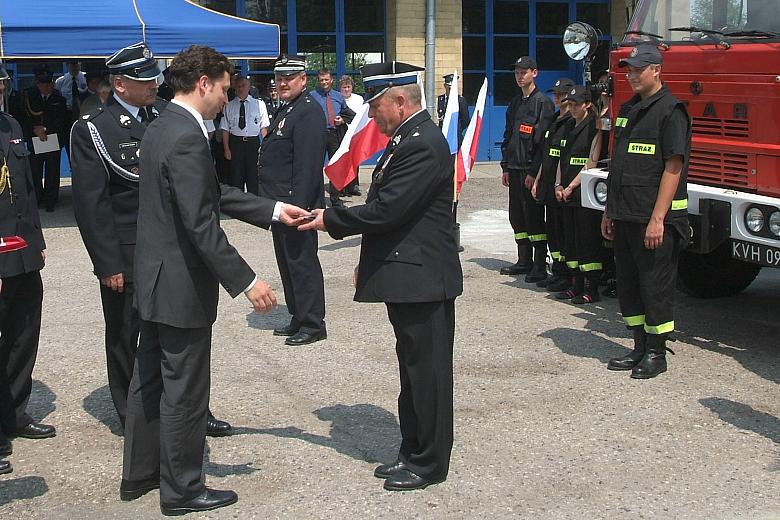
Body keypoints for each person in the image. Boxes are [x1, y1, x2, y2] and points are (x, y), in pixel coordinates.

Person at [121, 45, 310, 514]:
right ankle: (183, 491)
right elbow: (200, 223)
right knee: (184, 389)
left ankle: (141, 474)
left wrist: (273, 210)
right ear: (203, 83)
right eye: (225, 89)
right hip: (179, 285)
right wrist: (247, 281)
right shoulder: (186, 134)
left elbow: (209, 192)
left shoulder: (163, 124)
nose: (228, 98)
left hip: (156, 279)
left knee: (149, 379)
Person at [300, 61, 463, 491]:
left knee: (427, 374)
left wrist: (330, 219)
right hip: (408, 274)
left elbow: (388, 210)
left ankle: (429, 463)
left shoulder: (422, 144)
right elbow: (389, 213)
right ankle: (412, 450)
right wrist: (367, 260)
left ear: (400, 101)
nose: (371, 115)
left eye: (375, 107)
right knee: (411, 371)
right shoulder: (406, 139)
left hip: (424, 279)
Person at [70, 42, 233, 437]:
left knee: (176, 336)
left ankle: (192, 410)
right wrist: (107, 263)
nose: (154, 86)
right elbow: (92, 205)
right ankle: (134, 417)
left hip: (169, 250)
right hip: (126, 252)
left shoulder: (166, 115)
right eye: (144, 81)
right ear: (119, 85)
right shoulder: (94, 128)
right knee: (126, 335)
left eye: (154, 78)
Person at [603, 42, 691, 379]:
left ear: (657, 70)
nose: (632, 75)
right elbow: (619, 165)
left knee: (655, 287)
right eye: (629, 70)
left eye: (639, 70)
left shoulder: (671, 110)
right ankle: (639, 346)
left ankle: (656, 352)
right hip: (626, 214)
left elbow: (673, 167)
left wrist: (658, 219)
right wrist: (609, 211)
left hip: (653, 221)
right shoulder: (628, 109)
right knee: (629, 285)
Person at [0, 64, 56, 476]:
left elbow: (25, 188)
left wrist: (36, 240)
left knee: (23, 335)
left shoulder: (11, 126)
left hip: (22, 253)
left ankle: (14, 413)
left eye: (0, 84)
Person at [256, 55, 328, 346]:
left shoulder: (308, 111)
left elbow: (307, 167)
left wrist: (299, 208)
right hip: (281, 206)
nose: (283, 83)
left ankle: (313, 323)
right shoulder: (288, 108)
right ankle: (299, 315)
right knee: (288, 264)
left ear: (303, 79)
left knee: (302, 264)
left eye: (289, 78)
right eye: (279, 78)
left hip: (296, 205)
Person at [499, 56, 555, 278]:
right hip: (514, 168)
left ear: (534, 73)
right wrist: (505, 166)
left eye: (524, 72)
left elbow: (543, 144)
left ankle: (539, 265)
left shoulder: (542, 103)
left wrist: (534, 173)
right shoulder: (515, 103)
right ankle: (524, 260)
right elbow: (508, 136)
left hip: (529, 170)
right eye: (517, 73)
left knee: (533, 217)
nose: (520, 76)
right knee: (517, 216)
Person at [554, 85, 604, 304]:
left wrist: (571, 187)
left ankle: (591, 289)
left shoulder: (594, 128)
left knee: (587, 242)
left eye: (576, 104)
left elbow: (591, 163)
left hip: (582, 193)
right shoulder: (567, 126)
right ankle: (575, 284)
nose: (572, 108)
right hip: (565, 192)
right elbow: (561, 158)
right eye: (570, 104)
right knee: (571, 241)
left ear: (588, 105)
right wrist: (558, 184)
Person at [531, 77, 575, 289]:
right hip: (548, 183)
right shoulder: (554, 119)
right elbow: (546, 153)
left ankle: (566, 274)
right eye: (555, 94)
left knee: (564, 231)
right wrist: (538, 179)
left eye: (561, 95)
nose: (557, 98)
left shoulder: (572, 122)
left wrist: (561, 184)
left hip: (561, 185)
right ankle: (557, 270)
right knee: (553, 231)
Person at [18, 67, 70, 212]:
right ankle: (36, 198)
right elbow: (23, 117)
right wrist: (35, 129)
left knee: (52, 171)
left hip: (52, 138)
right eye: (43, 84)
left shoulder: (58, 99)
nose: (47, 87)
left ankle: (50, 201)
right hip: (35, 139)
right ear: (38, 84)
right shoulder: (29, 96)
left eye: (49, 84)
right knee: (35, 170)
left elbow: (62, 120)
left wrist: (45, 129)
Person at [310, 67, 356, 204]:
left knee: (336, 166)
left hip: (334, 135)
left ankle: (335, 199)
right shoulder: (312, 96)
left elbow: (349, 114)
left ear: (331, 80)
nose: (324, 82)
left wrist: (342, 120)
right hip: (318, 135)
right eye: (321, 80)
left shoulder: (338, 96)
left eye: (326, 79)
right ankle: (315, 198)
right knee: (316, 166)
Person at [220, 76, 269, 194]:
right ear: (235, 89)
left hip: (253, 144)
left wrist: (265, 148)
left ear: (249, 87)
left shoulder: (259, 104)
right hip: (236, 144)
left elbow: (264, 127)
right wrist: (226, 148)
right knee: (237, 177)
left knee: (253, 177)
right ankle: (239, 203)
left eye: (243, 86)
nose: (240, 89)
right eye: (238, 86)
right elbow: (225, 129)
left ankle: (254, 202)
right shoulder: (229, 106)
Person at [339, 75, 364, 196]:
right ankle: (342, 187)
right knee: (343, 160)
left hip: (355, 133)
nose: (346, 89)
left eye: (348, 87)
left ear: (352, 87)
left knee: (355, 161)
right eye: (344, 87)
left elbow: (361, 115)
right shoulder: (337, 99)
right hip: (341, 133)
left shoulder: (359, 99)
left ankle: (353, 186)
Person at [436, 73, 469, 146]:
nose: (451, 90)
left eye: (452, 87)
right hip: (443, 135)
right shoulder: (440, 99)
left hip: (455, 136)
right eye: (449, 88)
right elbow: (439, 117)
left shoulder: (460, 100)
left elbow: (466, 120)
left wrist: (457, 128)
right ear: (445, 86)